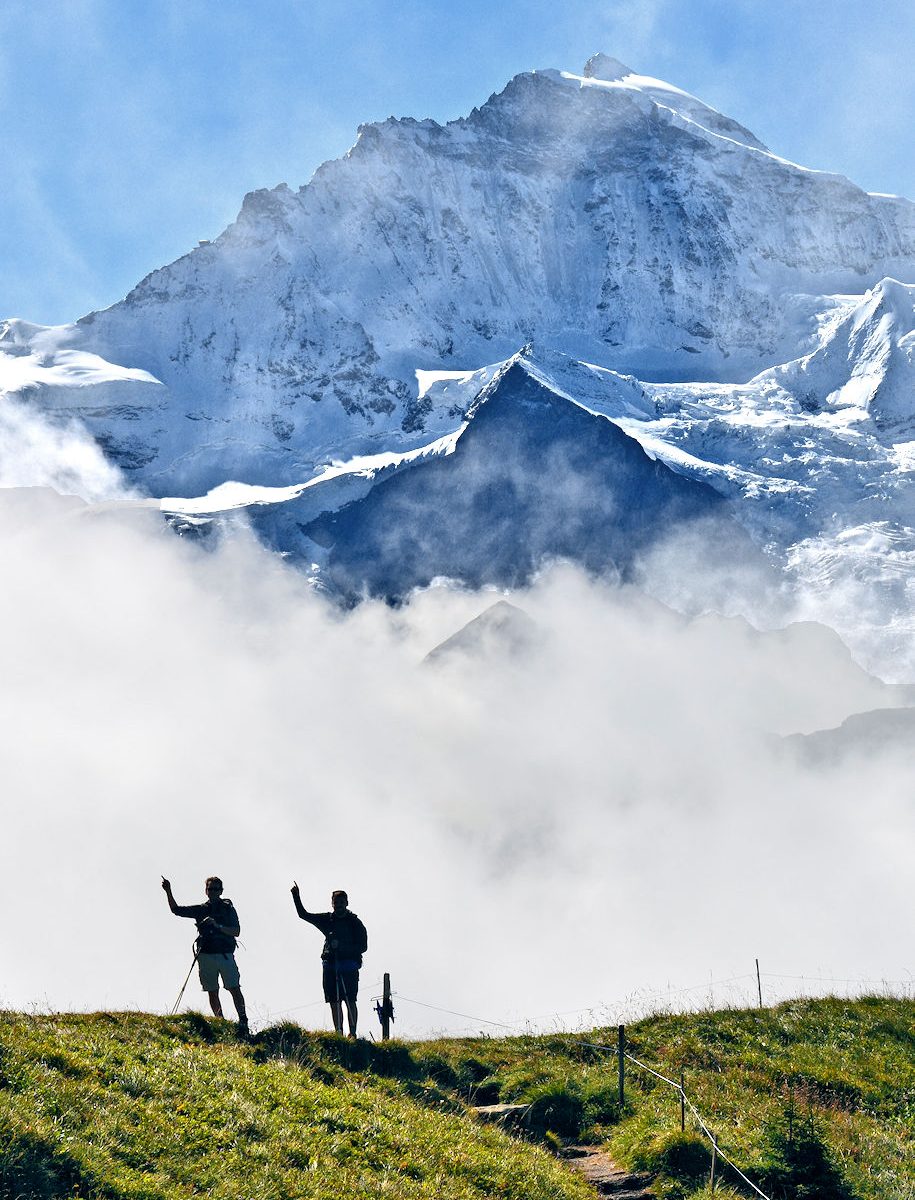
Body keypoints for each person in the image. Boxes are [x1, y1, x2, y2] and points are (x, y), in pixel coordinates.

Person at [161, 875, 249, 1037]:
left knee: (234, 988)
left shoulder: (228, 909)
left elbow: (236, 931)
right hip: (206, 955)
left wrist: (217, 926)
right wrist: (168, 891)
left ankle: (243, 1021)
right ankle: (220, 1023)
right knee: (212, 990)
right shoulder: (201, 909)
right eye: (210, 889)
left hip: (224, 954)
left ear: (221, 891)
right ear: (206, 891)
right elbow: (176, 910)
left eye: (216, 889)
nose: (213, 892)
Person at [290, 884, 367, 1037]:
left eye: (341, 902)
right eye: (336, 903)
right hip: (331, 965)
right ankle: (338, 1033)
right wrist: (296, 896)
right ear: (332, 904)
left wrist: (342, 947)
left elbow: (363, 947)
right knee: (334, 1000)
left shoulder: (355, 923)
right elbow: (303, 915)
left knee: (350, 1000)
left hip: (349, 966)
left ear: (347, 903)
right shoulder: (327, 919)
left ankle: (352, 1033)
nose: (339, 905)